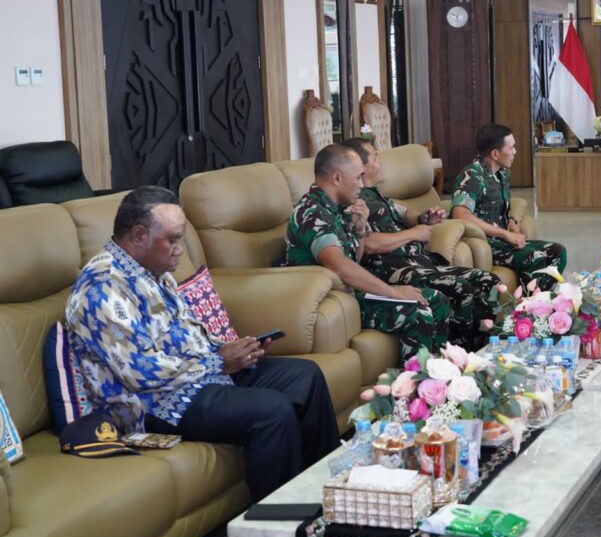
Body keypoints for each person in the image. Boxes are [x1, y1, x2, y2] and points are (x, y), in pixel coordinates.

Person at [64, 187, 339, 501]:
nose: (180, 250)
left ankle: (327, 496)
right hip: (153, 404)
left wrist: (233, 350)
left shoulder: (153, 271)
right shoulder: (102, 287)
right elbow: (138, 372)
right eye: (173, 240)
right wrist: (218, 362)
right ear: (139, 235)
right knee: (271, 411)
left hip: (196, 376)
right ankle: (280, 521)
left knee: (306, 377)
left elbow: (188, 334)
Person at [285, 144, 452, 358]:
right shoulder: (312, 213)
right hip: (334, 302)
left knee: (436, 299)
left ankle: (439, 372)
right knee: (418, 311)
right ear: (337, 178)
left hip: (353, 293)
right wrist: (393, 292)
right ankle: (414, 377)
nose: (362, 184)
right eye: (357, 178)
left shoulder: (339, 209)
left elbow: (355, 258)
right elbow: (340, 266)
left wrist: (361, 230)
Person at [341, 138, 500, 349]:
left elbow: (403, 212)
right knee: (460, 287)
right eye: (376, 157)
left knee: (488, 280)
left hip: (420, 262)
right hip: (392, 269)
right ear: (359, 166)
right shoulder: (353, 200)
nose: (381, 162)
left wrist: (423, 218)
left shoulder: (377, 195)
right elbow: (368, 244)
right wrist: (413, 234)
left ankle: (483, 348)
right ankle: (460, 350)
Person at [452, 124, 567, 291]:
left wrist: (511, 221)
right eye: (511, 147)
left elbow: (500, 207)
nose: (515, 151)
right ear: (495, 153)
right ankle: (529, 304)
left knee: (557, 251)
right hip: (486, 243)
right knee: (535, 258)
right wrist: (505, 234)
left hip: (503, 240)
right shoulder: (472, 175)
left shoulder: (503, 172)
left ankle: (541, 300)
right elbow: (461, 215)